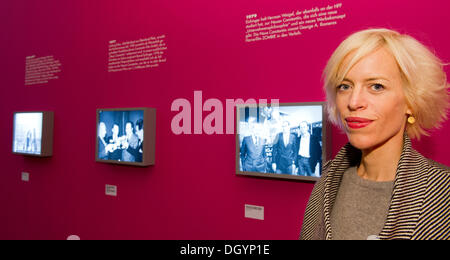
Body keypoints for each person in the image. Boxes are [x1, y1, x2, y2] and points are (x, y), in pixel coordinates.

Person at [300, 28, 450, 240]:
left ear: (411, 100)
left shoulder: (443, 191)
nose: (353, 102)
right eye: (345, 86)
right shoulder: (328, 180)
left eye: (376, 86)